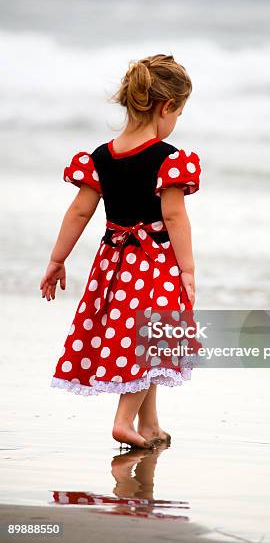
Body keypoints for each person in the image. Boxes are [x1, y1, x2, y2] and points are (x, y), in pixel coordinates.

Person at [40, 54, 202, 449]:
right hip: (153, 264)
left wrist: (57, 259)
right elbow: (175, 217)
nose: (175, 122)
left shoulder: (100, 156)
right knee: (149, 344)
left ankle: (149, 424)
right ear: (166, 107)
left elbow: (79, 211)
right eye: (178, 112)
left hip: (113, 265)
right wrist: (188, 271)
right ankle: (124, 421)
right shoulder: (169, 159)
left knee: (140, 339)